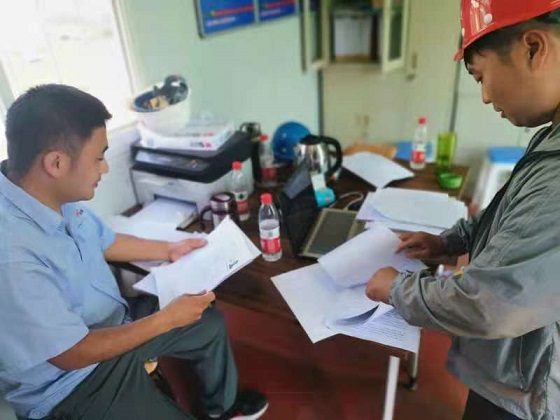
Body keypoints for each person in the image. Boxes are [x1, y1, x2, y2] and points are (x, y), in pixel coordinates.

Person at [0, 84, 268, 420]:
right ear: (56, 162)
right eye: (98, 158)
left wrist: (169, 249)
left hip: (113, 323)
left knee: (207, 324)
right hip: (73, 385)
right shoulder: (11, 253)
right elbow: (69, 353)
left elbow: (104, 241)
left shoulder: (45, 191)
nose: (104, 169)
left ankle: (222, 410)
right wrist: (164, 320)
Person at [366, 1, 560, 419]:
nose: (486, 96)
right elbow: (513, 216)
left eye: (481, 76)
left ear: (533, 48)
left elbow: (491, 304)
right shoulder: (551, 138)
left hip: (532, 394)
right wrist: (449, 242)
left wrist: (395, 289)